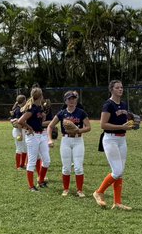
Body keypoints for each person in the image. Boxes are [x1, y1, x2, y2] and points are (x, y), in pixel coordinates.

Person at [94, 79, 136, 210]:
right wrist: (121, 126)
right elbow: (103, 124)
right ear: (111, 89)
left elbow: (125, 122)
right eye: (118, 87)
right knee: (117, 171)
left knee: (120, 172)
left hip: (122, 140)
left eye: (122, 87)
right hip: (110, 139)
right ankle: (99, 192)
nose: (121, 89)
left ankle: (117, 203)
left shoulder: (123, 104)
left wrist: (132, 123)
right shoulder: (108, 104)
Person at [47, 89, 91, 197]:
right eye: (69, 99)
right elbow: (50, 126)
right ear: (65, 101)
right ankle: (65, 189)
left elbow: (88, 127)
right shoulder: (62, 113)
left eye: (73, 99)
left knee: (78, 167)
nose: (72, 101)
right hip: (65, 140)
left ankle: (79, 190)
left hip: (78, 140)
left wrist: (78, 130)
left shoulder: (81, 112)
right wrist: (49, 139)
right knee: (66, 167)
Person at [17, 86, 52, 191]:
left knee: (46, 160)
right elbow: (20, 121)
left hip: (42, 135)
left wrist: (43, 116)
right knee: (32, 161)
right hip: (33, 136)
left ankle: (40, 181)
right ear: (40, 96)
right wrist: (29, 127)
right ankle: (31, 186)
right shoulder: (32, 108)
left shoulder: (39, 107)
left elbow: (39, 121)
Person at [9, 94, 28, 171]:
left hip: (21, 130)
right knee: (19, 148)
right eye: (25, 100)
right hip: (18, 131)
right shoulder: (19, 110)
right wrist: (20, 133)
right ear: (23, 101)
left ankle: (22, 164)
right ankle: (18, 166)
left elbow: (12, 120)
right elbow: (18, 123)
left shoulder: (19, 109)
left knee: (24, 148)